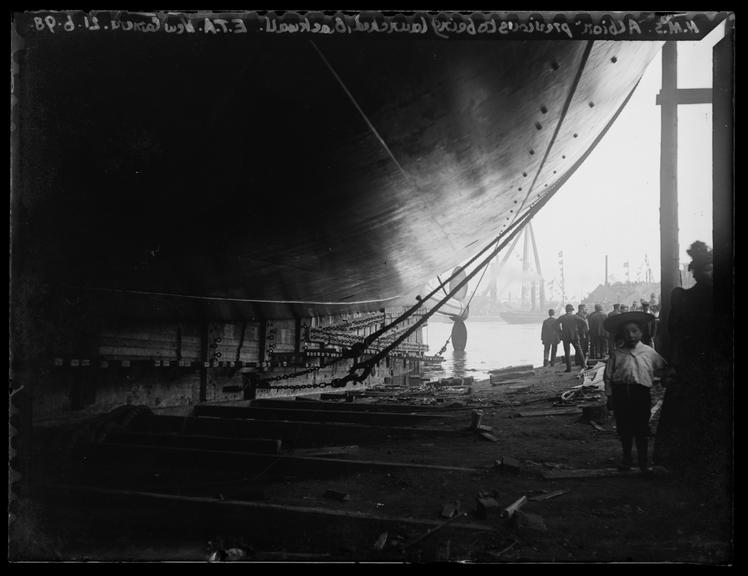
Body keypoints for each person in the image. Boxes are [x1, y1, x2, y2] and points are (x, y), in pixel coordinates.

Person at [654, 241, 726, 477]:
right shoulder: (687, 297)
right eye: (707, 270)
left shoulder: (689, 297)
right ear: (696, 272)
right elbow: (673, 333)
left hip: (700, 361)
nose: (710, 274)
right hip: (698, 361)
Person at [603, 312, 669, 473]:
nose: (631, 335)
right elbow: (608, 377)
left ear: (641, 333)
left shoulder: (649, 352)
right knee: (624, 428)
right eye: (626, 332)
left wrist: (666, 377)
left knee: (641, 428)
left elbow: (662, 368)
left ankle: (643, 462)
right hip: (620, 394)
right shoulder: (616, 354)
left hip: (641, 394)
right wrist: (610, 396)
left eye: (634, 331)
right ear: (622, 335)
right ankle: (627, 460)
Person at [556, 304, 587, 372]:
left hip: (565, 337)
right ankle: (583, 365)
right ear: (571, 310)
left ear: (566, 310)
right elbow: (584, 322)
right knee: (579, 350)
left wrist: (560, 332)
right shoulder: (575, 316)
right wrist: (580, 330)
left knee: (567, 352)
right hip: (575, 336)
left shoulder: (562, 317)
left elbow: (555, 324)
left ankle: (569, 368)